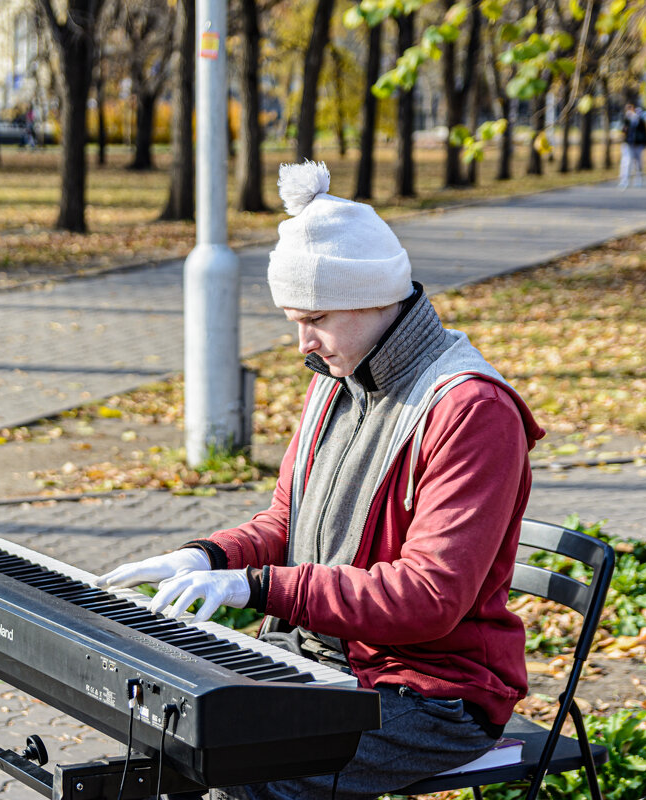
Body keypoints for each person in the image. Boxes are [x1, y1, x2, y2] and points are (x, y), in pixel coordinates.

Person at [97, 161, 545, 800]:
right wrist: (204, 555)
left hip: (435, 697)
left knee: (247, 772)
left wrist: (255, 587)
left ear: (376, 299)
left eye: (316, 319)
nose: (303, 342)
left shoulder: (469, 410)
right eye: (293, 320)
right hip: (322, 661)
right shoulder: (336, 379)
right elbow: (287, 523)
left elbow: (429, 595)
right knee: (166, 738)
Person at [618, 103, 646, 188]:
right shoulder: (625, 119)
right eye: (628, 108)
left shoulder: (639, 119)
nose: (630, 110)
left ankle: (639, 180)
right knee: (627, 162)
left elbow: (645, 132)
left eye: (631, 108)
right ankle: (624, 181)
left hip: (638, 144)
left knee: (638, 163)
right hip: (628, 144)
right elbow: (623, 130)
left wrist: (645, 143)